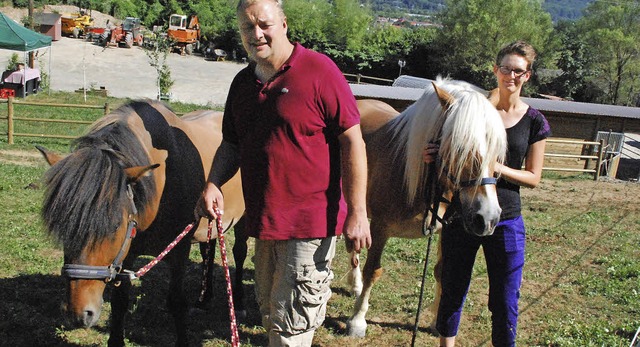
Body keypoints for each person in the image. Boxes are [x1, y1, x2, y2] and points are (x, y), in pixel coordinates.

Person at [195, 0, 371, 345]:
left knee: (292, 328)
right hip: (263, 224)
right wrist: (214, 182)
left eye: (264, 24)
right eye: (248, 27)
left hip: (309, 225)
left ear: (284, 24)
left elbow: (353, 141)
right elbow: (231, 144)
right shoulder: (243, 84)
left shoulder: (320, 71)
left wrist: (358, 213)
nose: (256, 34)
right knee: (274, 319)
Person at [423, 40, 551, 346]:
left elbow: (533, 177)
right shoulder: (471, 110)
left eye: (519, 70)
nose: (511, 75)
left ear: (527, 76)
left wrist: (495, 167)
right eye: (506, 68)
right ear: (495, 70)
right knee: (452, 289)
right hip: (461, 213)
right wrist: (435, 154)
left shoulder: (534, 120)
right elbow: (453, 151)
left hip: (506, 219)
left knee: (505, 300)